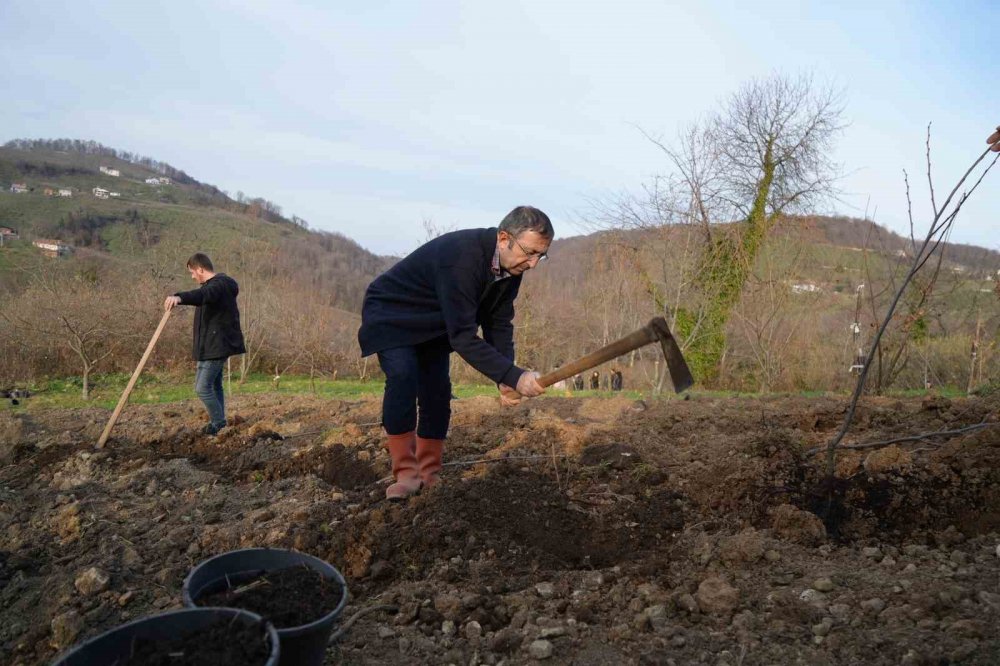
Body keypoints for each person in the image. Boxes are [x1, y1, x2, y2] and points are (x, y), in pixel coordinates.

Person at [359, 206, 553, 501]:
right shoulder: (462, 260)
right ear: (504, 238)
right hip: (392, 314)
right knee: (403, 375)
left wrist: (506, 377)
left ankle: (429, 472)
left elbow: (497, 323)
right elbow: (463, 337)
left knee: (437, 390)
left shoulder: (512, 268)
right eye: (529, 253)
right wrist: (514, 375)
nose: (533, 264)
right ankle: (406, 473)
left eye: (541, 255)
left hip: (436, 322)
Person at [164, 253, 246, 436]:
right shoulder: (213, 288)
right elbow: (203, 296)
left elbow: (204, 295)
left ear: (200, 269)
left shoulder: (220, 285)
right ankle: (220, 425)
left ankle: (218, 423)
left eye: (192, 272)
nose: (192, 276)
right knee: (215, 386)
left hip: (217, 345)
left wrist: (179, 298)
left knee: (202, 388)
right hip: (209, 346)